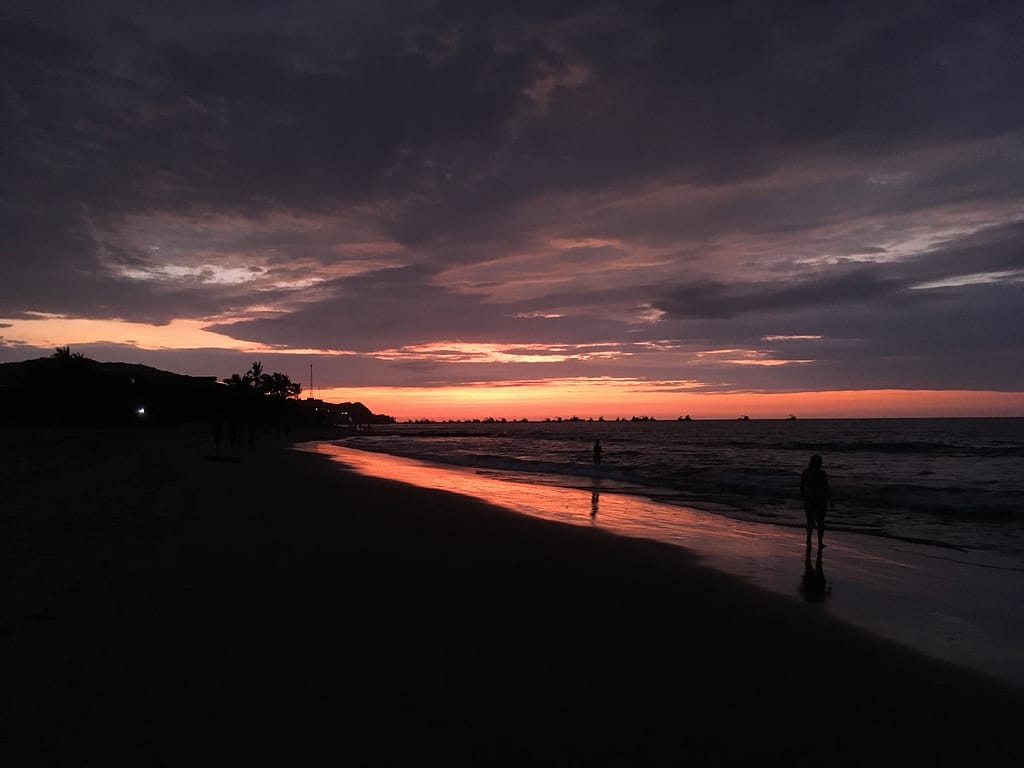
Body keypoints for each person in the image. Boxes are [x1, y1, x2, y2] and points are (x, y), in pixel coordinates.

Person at [800, 454, 833, 551]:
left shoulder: (806, 473)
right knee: (821, 522)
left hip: (809, 499)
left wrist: (803, 497)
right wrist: (831, 500)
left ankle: (809, 539)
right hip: (820, 499)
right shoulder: (822, 473)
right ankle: (820, 542)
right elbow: (826, 488)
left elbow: (802, 487)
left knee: (810, 521)